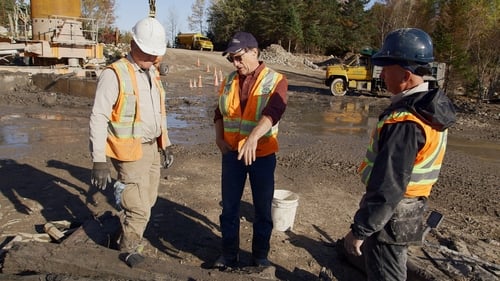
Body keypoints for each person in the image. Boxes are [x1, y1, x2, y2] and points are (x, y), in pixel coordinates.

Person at [341, 28, 456, 281]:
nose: (381, 74)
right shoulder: (429, 110)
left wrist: (360, 230)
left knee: (387, 274)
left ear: (405, 75)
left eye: (386, 67)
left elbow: (388, 187)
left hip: (391, 215)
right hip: (408, 210)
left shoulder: (405, 122)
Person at [89, 16, 173, 268]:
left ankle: (126, 228)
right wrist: (98, 159)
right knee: (139, 209)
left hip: (152, 149)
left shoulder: (151, 72)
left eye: (155, 55)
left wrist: (165, 142)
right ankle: (126, 249)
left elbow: (160, 111)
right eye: (148, 54)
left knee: (147, 201)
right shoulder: (115, 74)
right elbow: (98, 116)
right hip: (129, 152)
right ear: (133, 45)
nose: (153, 59)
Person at [213, 31, 288, 269]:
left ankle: (260, 257)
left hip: (262, 156)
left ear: (254, 52)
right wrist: (218, 138)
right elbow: (219, 113)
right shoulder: (228, 80)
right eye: (231, 59)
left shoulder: (276, 80)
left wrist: (254, 137)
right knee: (229, 208)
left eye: (238, 57)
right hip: (232, 155)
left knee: (263, 211)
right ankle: (228, 255)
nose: (235, 64)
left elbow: (274, 112)